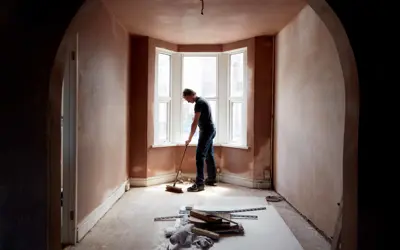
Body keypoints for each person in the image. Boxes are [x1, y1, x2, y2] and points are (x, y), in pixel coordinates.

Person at [182, 88, 217, 192]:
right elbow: (199, 118)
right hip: (211, 130)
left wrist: (189, 139)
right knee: (209, 154)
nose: (187, 101)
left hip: (206, 132)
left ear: (191, 95)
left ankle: (199, 184)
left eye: (187, 98)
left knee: (199, 156)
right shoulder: (202, 101)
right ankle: (211, 179)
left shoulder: (199, 103)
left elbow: (194, 123)